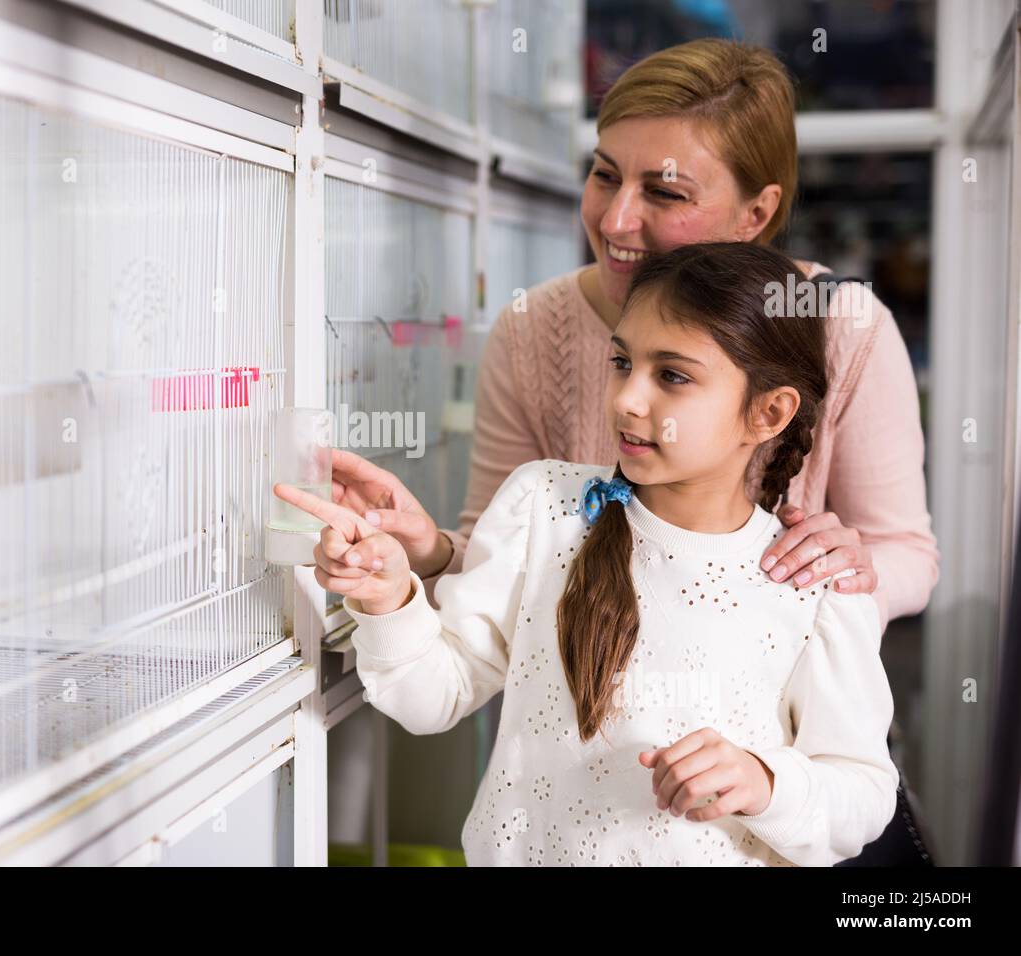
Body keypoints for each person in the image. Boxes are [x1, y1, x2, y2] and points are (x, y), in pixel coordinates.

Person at [275, 242, 898, 866]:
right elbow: (435, 695)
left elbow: (863, 791)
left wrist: (764, 783)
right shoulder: (542, 506)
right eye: (623, 362)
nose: (628, 398)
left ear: (769, 412)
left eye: (673, 375)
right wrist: (386, 599)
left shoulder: (813, 588)